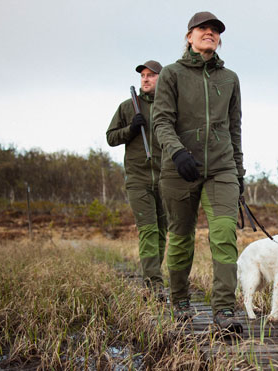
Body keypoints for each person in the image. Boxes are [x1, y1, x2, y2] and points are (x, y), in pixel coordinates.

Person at [152, 11, 245, 331]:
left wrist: (239, 172)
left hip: (221, 168)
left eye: (216, 30)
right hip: (179, 168)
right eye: (203, 29)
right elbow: (160, 120)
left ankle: (224, 312)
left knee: (223, 234)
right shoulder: (172, 74)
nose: (210, 33)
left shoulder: (230, 78)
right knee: (180, 237)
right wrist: (177, 153)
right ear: (189, 36)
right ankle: (179, 301)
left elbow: (235, 129)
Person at [105, 60, 167, 301]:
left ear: (162, 78)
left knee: (162, 232)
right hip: (138, 179)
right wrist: (131, 129)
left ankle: (153, 278)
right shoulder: (128, 106)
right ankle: (154, 286)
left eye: (151, 75)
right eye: (143, 75)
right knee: (149, 230)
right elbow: (110, 137)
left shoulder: (169, 106)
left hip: (165, 178)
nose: (145, 79)